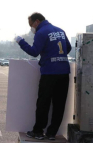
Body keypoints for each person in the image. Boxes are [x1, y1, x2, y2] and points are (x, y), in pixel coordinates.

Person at [15, 12, 71, 140]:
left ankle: (38, 131)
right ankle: (52, 133)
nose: (31, 28)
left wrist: (21, 41)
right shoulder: (60, 31)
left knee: (43, 103)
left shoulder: (41, 32)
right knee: (59, 104)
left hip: (49, 73)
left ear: (37, 22)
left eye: (31, 25)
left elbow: (34, 52)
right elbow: (67, 48)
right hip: (64, 72)